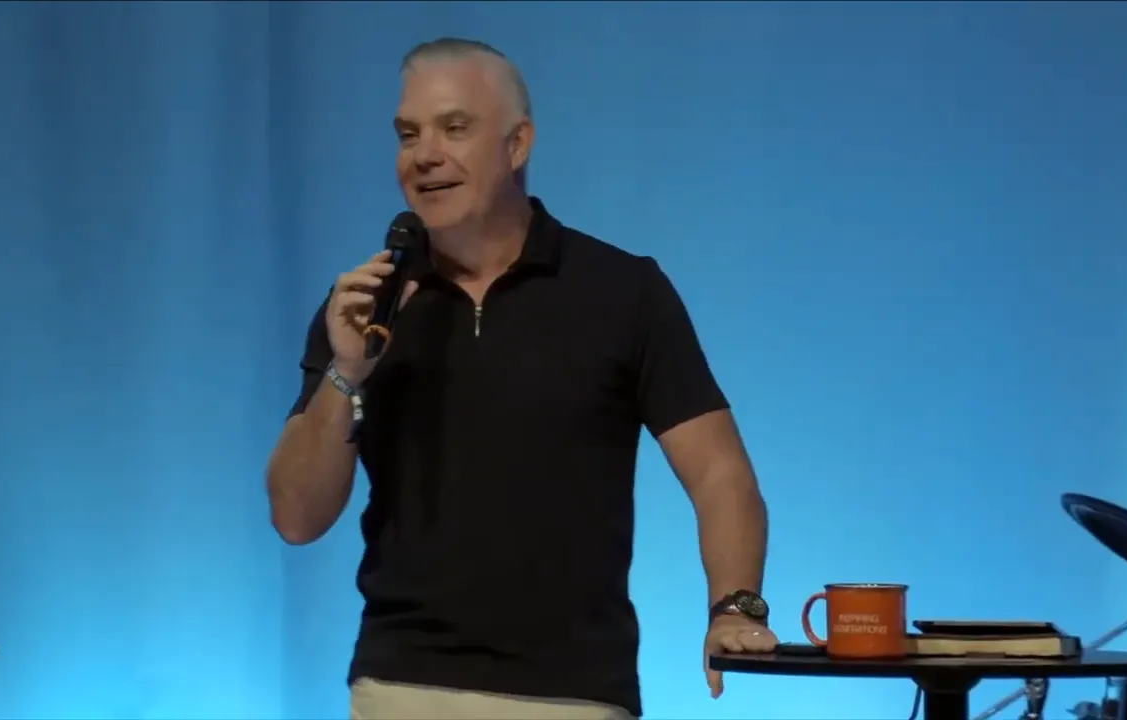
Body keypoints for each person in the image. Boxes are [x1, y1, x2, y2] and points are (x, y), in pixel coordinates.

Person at [265, 37, 776, 720]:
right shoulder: (363, 310)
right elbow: (296, 517)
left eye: (454, 128)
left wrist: (733, 607)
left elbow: (720, 473)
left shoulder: (623, 292)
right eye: (407, 134)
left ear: (518, 144)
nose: (423, 155)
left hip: (576, 692)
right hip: (401, 686)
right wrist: (347, 374)